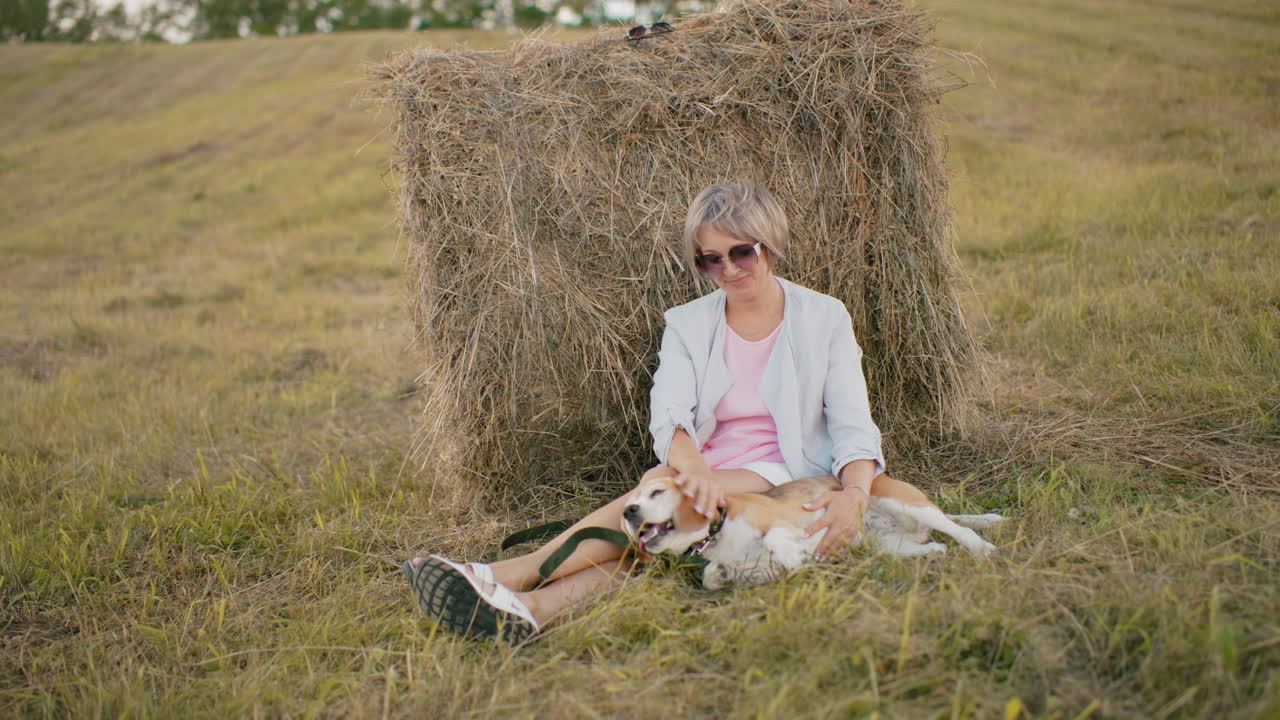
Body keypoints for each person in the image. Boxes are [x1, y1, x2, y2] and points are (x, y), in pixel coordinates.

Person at [404, 181, 885, 644]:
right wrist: (693, 467)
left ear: (772, 245)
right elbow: (669, 410)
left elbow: (851, 423)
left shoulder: (824, 317)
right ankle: (532, 611)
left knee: (663, 493)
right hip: (708, 464)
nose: (729, 270)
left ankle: (509, 574)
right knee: (655, 536)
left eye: (741, 252)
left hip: (784, 468)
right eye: (710, 260)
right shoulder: (688, 323)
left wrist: (856, 493)